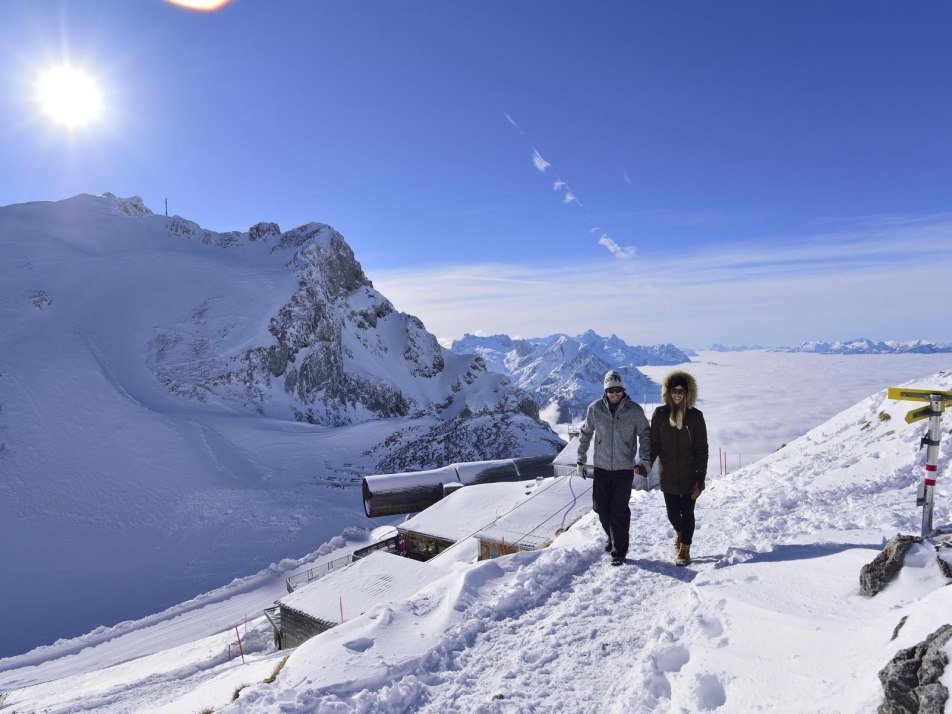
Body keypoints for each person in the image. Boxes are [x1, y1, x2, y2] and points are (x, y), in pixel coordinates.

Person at [576, 370, 651, 566]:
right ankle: (612, 536)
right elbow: (585, 433)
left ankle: (619, 551)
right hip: (601, 468)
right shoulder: (595, 409)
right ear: (605, 391)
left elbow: (645, 434)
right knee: (601, 510)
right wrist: (580, 460)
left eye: (618, 390)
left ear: (623, 390)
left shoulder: (634, 410)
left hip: (624, 469)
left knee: (619, 511)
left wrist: (644, 459)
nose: (615, 393)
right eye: (611, 390)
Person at [650, 371, 709, 566]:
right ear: (668, 392)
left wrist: (700, 478)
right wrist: (645, 463)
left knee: (688, 512)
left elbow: (702, 449)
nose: (677, 394)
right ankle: (681, 533)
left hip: (690, 474)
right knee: (672, 514)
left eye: (681, 391)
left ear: (687, 393)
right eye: (674, 390)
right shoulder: (659, 414)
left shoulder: (695, 416)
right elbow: (654, 445)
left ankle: (685, 548)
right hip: (667, 474)